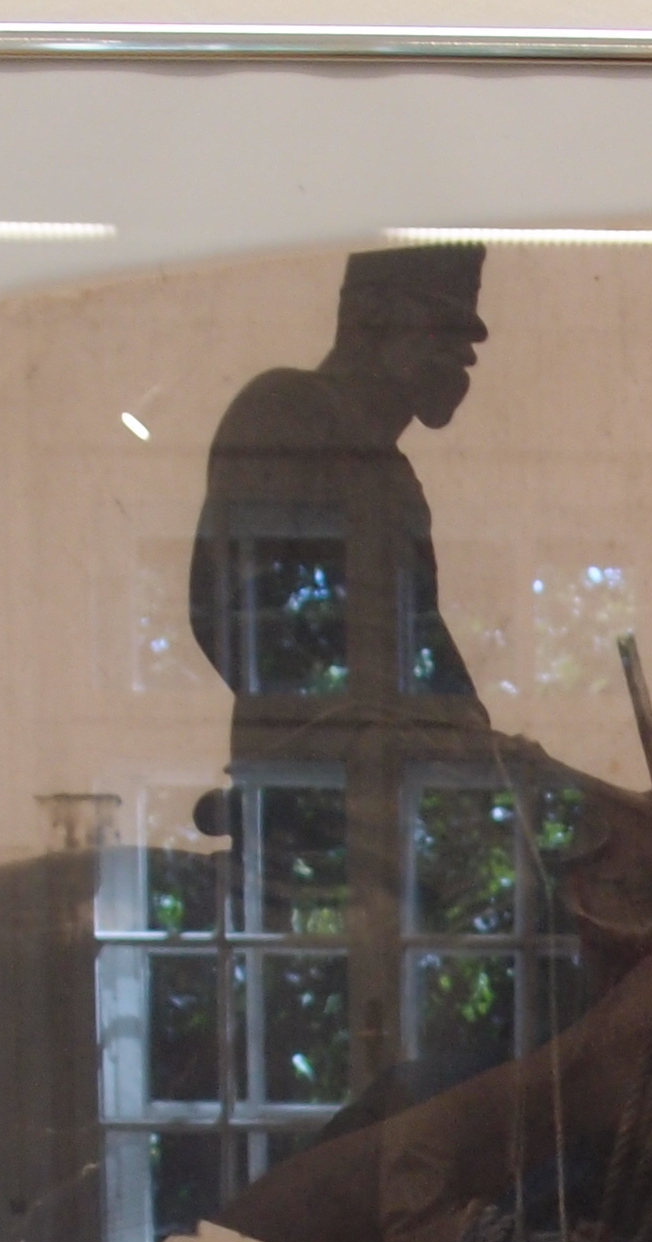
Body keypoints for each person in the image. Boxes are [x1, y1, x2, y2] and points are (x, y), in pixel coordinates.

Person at [190, 243, 495, 1072]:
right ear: (377, 319)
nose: (463, 357)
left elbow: (420, 641)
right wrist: (336, 737)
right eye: (445, 331)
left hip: (388, 796)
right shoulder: (285, 414)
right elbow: (230, 615)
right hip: (324, 812)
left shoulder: (394, 479)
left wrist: (478, 738)